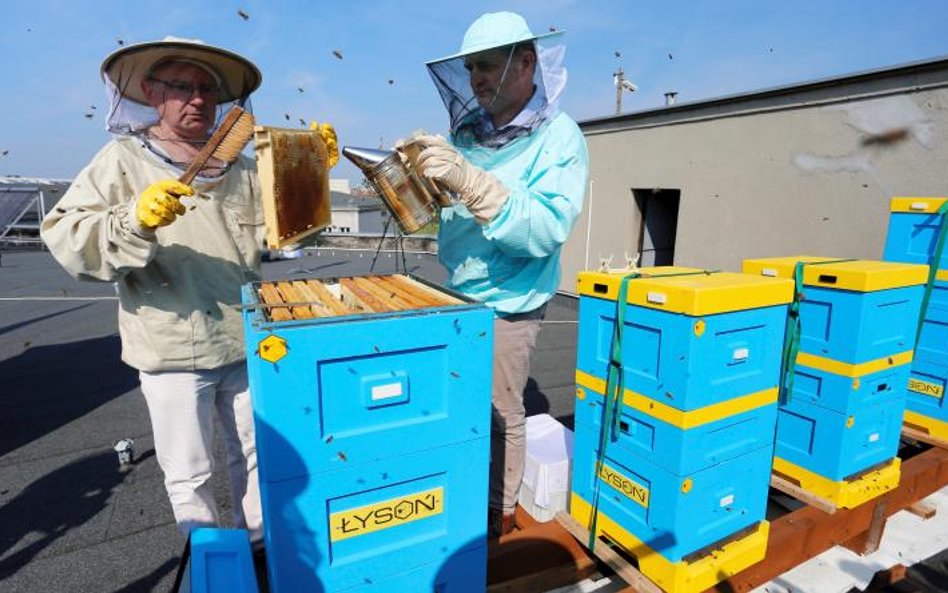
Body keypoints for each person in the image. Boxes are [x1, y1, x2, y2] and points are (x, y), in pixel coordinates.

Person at [41, 37, 267, 542]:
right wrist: (134, 219)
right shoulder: (120, 160)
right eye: (181, 87)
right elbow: (66, 235)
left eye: (207, 89)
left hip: (246, 339)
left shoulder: (245, 168)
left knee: (257, 460)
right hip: (171, 346)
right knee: (190, 474)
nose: (197, 98)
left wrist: (310, 172)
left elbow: (287, 229)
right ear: (150, 92)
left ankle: (259, 557)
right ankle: (212, 566)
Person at [415, 12, 589, 537]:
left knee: (499, 411)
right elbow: (446, 214)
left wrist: (470, 181)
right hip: (459, 293)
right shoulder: (469, 134)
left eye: (487, 66)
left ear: (527, 62)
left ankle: (501, 512)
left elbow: (543, 229)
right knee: (459, 405)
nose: (476, 80)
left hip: (512, 299)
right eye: (470, 70)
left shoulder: (560, 137)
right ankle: (471, 493)